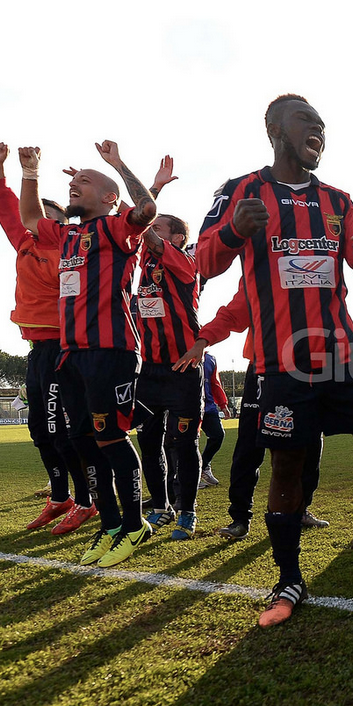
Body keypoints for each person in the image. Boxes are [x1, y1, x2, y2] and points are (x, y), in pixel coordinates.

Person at [196, 94, 353, 627]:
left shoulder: (339, 200)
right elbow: (201, 262)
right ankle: (288, 578)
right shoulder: (240, 191)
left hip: (344, 352)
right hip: (282, 359)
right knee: (289, 462)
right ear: (275, 129)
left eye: (323, 126)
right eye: (308, 121)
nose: (318, 131)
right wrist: (235, 228)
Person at [20, 140, 163, 568]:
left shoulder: (118, 227)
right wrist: (30, 172)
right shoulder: (64, 234)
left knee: (111, 438)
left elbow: (147, 210)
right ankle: (112, 525)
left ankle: (136, 524)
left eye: (86, 181)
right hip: (71, 355)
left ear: (109, 197)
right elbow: (30, 216)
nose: (75, 184)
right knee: (83, 440)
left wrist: (117, 164)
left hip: (111, 350)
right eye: (74, 181)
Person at [0, 142, 96, 534]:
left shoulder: (71, 248)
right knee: (39, 429)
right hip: (36, 351)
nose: (33, 220)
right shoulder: (23, 243)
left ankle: (87, 501)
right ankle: (60, 497)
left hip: (62, 349)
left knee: (62, 430)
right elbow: (5, 207)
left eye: (45, 216)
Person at [174, 283, 328, 540]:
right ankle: (240, 518)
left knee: (311, 443)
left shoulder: (315, 267)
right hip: (264, 369)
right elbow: (232, 314)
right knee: (249, 445)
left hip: (310, 367)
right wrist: (204, 339)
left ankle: (301, 509)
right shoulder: (259, 270)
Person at [134, 211, 205, 540]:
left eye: (158, 228)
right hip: (147, 370)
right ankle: (161, 506)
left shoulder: (187, 260)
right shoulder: (143, 260)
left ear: (176, 238)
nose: (149, 232)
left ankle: (188, 511)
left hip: (183, 368)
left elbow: (142, 225)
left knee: (185, 441)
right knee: (148, 441)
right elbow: (136, 225)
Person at [198, 352, 230, 489]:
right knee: (187, 442)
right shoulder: (183, 352)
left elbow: (214, 383)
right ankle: (190, 476)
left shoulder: (210, 359)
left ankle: (203, 466)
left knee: (218, 435)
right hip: (189, 405)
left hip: (209, 407)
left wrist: (223, 405)